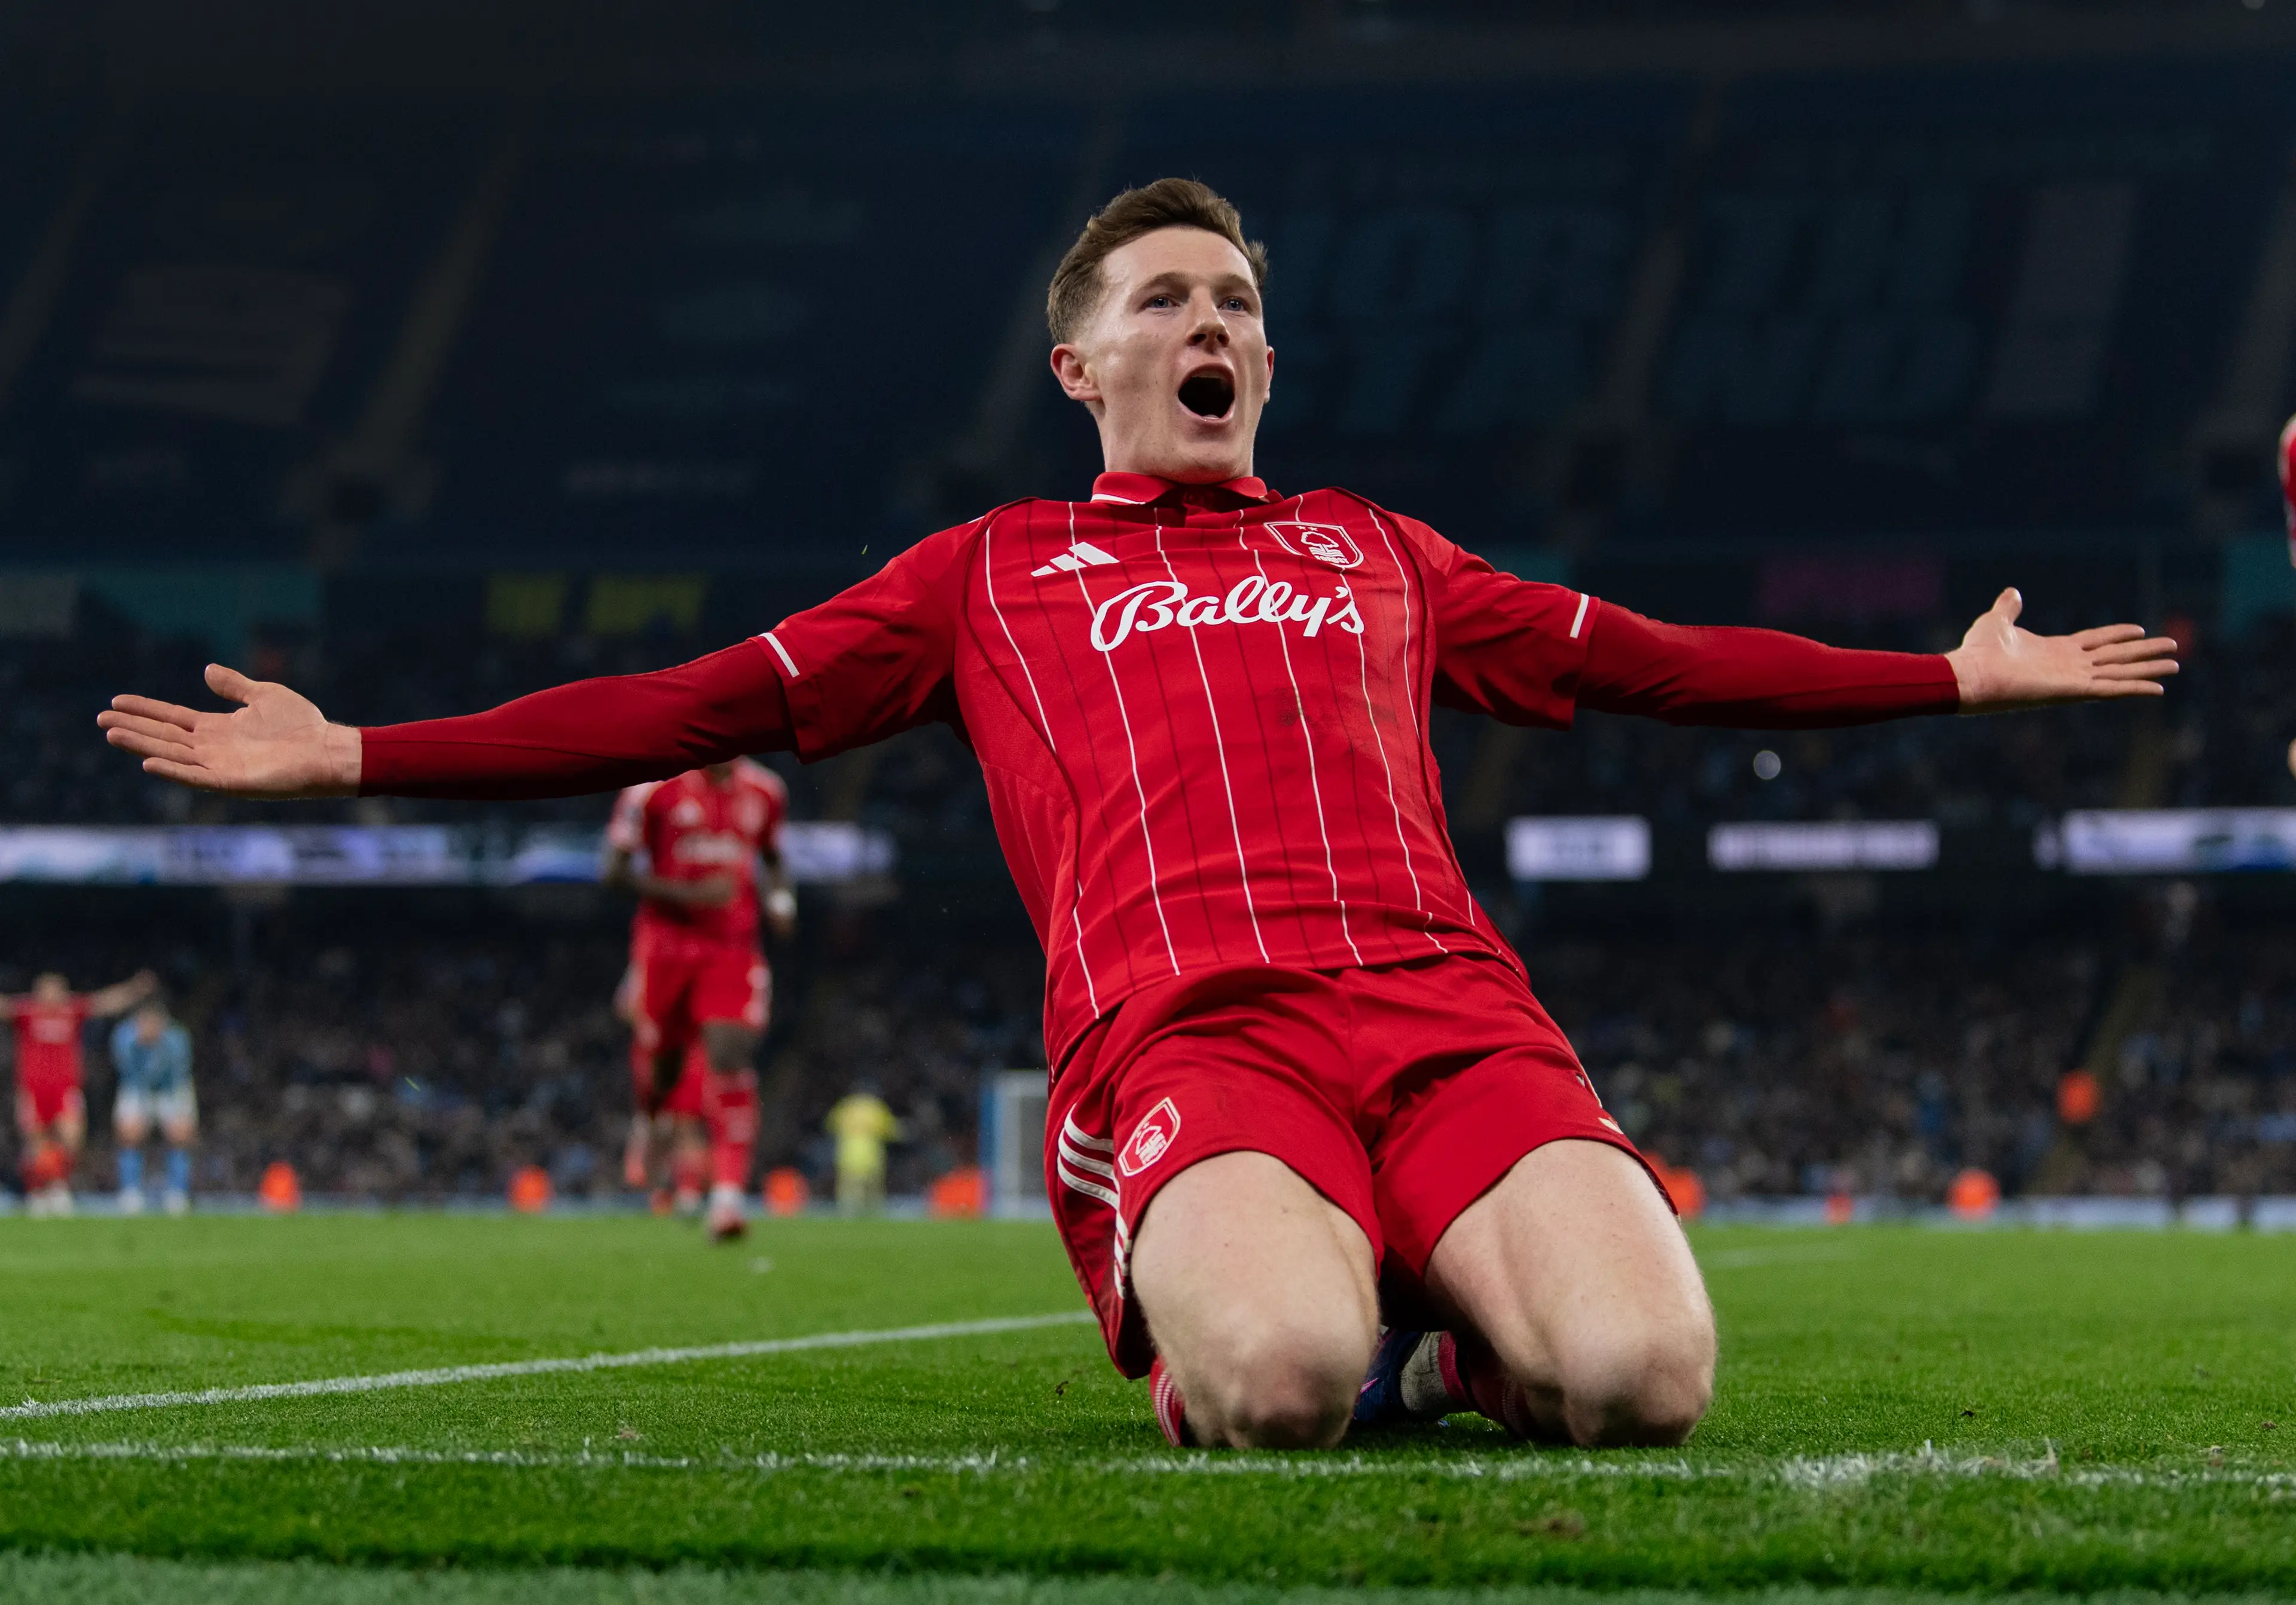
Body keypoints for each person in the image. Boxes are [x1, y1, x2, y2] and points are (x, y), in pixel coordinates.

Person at [99, 178, 2179, 1450]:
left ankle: (1449, 1350)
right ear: (1083, 367)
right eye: (1172, 302)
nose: (1218, 327)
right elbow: (694, 701)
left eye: (1241, 305)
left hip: (1455, 1016)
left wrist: (1953, 676)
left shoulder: (1386, 551)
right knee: (1275, 1388)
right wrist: (363, 752)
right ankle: (1300, 1308)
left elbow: (1662, 656)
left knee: (1651, 1386)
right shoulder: (982, 577)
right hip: (1196, 1040)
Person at [603, 761, 794, 1240]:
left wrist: (781, 901)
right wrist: (691, 894)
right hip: (665, 944)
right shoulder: (652, 791)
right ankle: (648, 1119)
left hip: (733, 945)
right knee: (663, 1067)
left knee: (730, 1054)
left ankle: (727, 1201)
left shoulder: (767, 792)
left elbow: (772, 858)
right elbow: (614, 873)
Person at [4, 969, 155, 1216]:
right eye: (46, 990)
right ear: (37, 993)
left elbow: (104, 1002)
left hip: (65, 1088)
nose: (51, 996)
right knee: (35, 1142)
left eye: (56, 990)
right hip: (33, 1089)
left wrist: (134, 989)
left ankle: (58, 1185)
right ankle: (38, 1192)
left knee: (72, 1138)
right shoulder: (28, 1011)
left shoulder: (72, 1010)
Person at [111, 995, 197, 1215]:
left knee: (180, 1134)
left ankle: (178, 1193)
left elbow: (178, 1073)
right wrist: (140, 1047)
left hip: (171, 1089)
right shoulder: (124, 1037)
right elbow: (125, 1070)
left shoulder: (177, 1039)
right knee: (130, 1133)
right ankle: (130, 1192)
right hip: (137, 1087)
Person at [825, 1083, 902, 1215]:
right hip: (871, 1154)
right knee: (873, 1189)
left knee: (849, 1189)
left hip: (848, 1153)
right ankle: (873, 1214)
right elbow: (891, 1130)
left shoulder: (846, 1106)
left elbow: (830, 1125)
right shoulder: (876, 1108)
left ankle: (847, 1215)